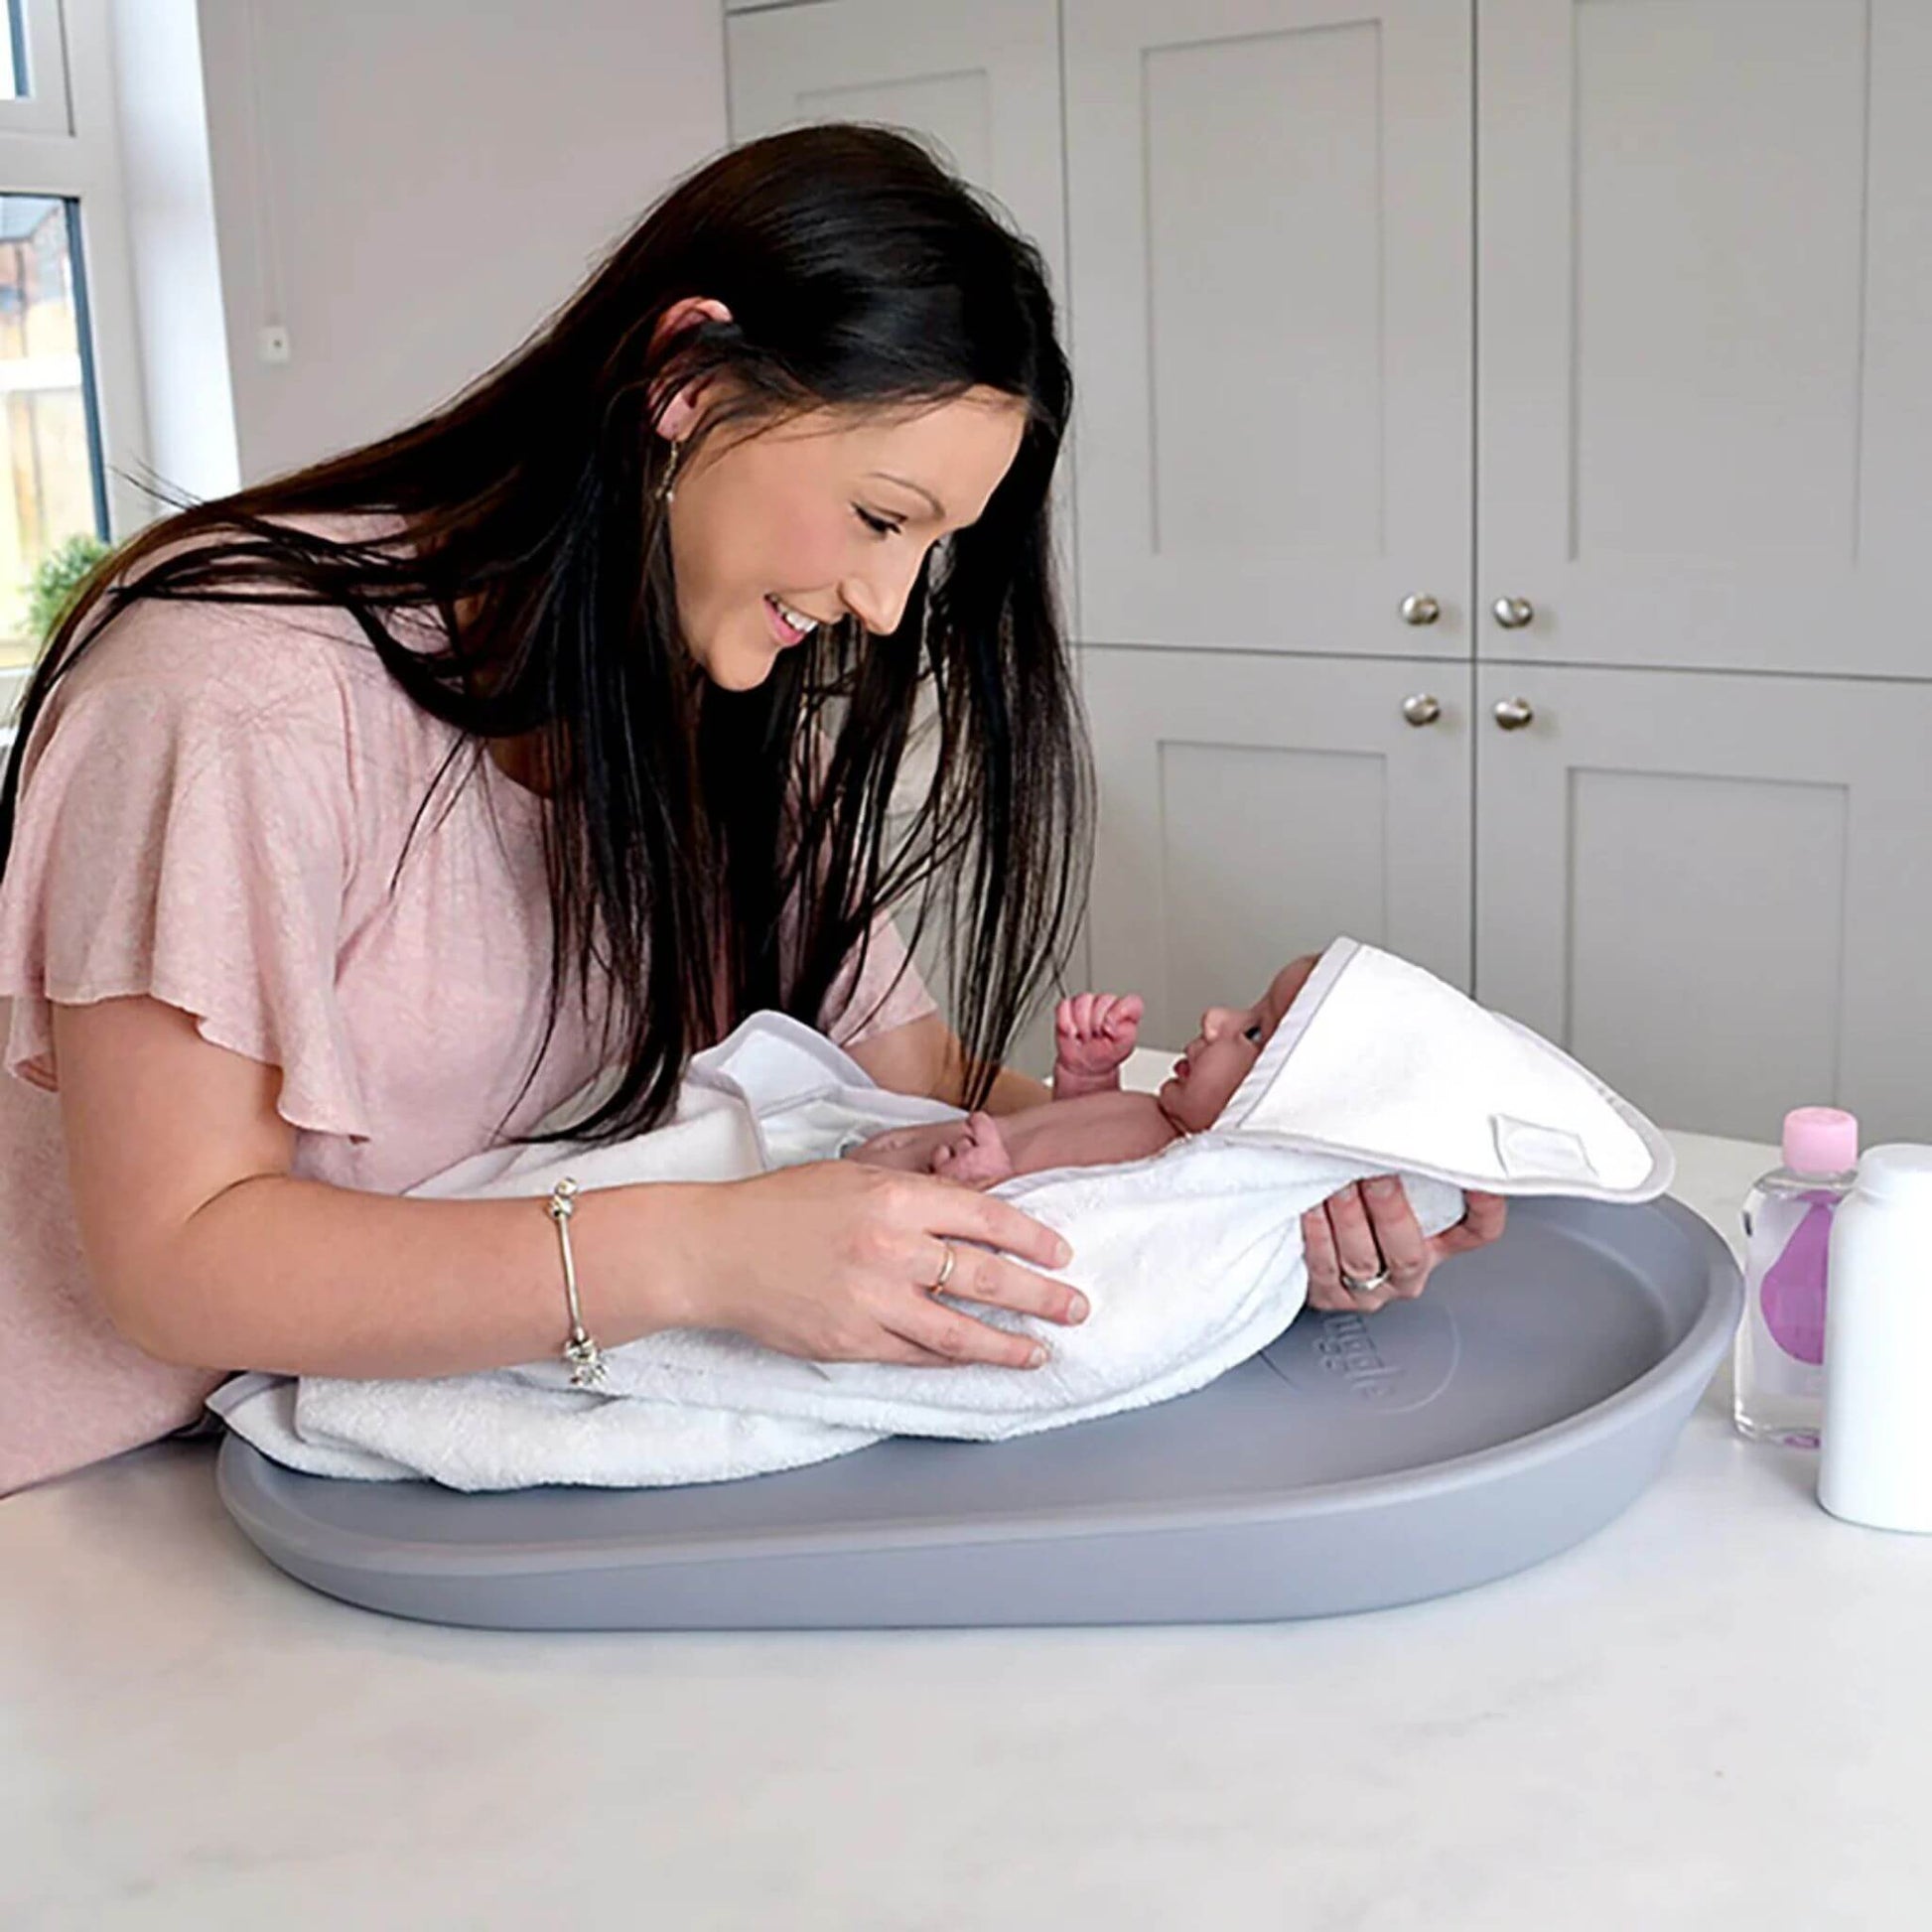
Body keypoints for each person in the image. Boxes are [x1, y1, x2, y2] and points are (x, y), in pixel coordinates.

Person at [0, 124, 1501, 1495]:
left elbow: (917, 1080)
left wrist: (1235, 1181)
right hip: (91, 1498)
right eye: (878, 517)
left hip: (359, 1484)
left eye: (927, 548)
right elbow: (178, 1257)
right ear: (689, 381)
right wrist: (706, 1255)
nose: (885, 602)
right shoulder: (231, 689)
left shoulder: (696, 690)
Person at [844, 959, 1506, 1311]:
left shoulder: (1179, 1183)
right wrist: (1086, 1081)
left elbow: (1078, 1233)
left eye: (1254, 1032)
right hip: (850, 1172)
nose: (1215, 1018)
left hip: (885, 1217)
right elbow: (1076, 1144)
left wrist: (988, 1189)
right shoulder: (1160, 1124)